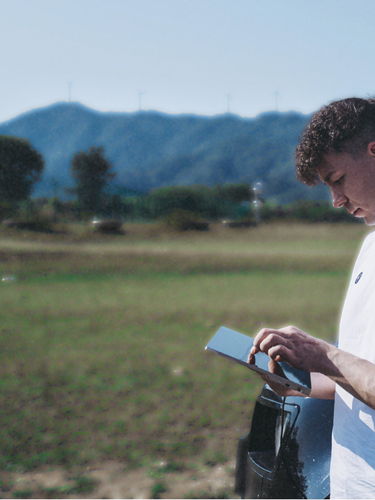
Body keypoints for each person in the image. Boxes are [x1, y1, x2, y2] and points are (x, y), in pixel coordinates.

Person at [247, 97, 375, 499]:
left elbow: (343, 361)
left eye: (337, 178)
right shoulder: (371, 246)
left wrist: (325, 355)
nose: (335, 200)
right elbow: (360, 375)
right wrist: (303, 380)